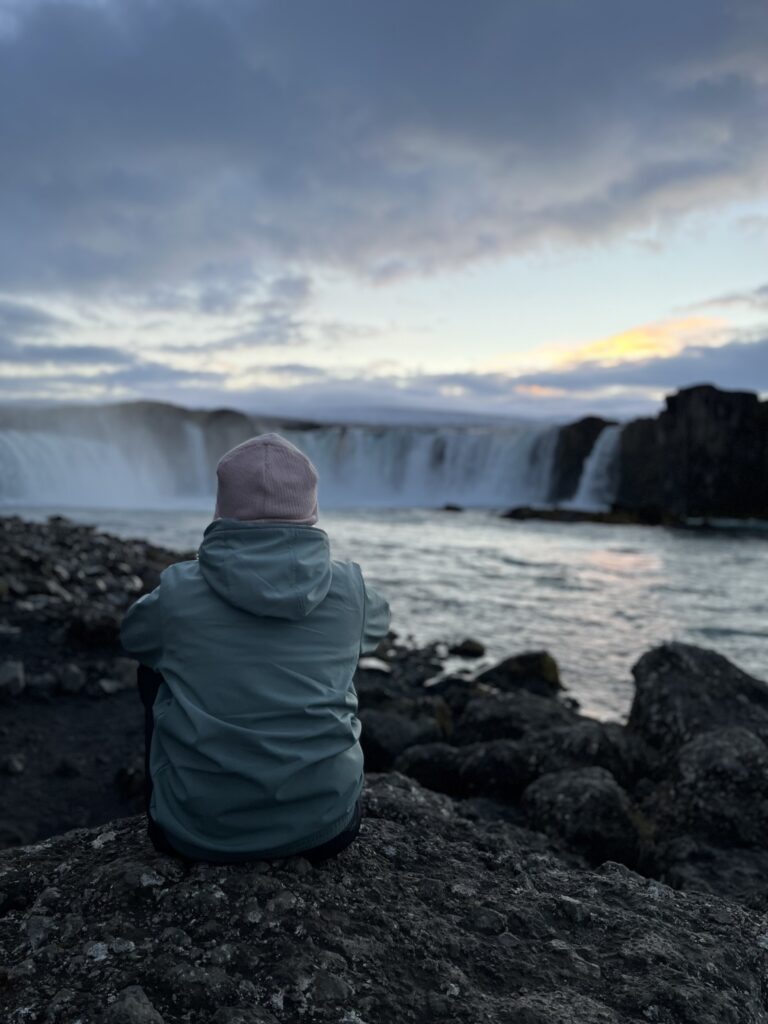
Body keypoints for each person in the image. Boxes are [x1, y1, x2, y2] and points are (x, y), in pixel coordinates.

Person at [121, 432, 390, 865]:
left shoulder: (177, 592)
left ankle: (179, 794)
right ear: (311, 509)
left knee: (155, 667)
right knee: (341, 649)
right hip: (326, 828)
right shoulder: (350, 590)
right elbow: (378, 629)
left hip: (194, 834)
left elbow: (133, 636)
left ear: (222, 507)